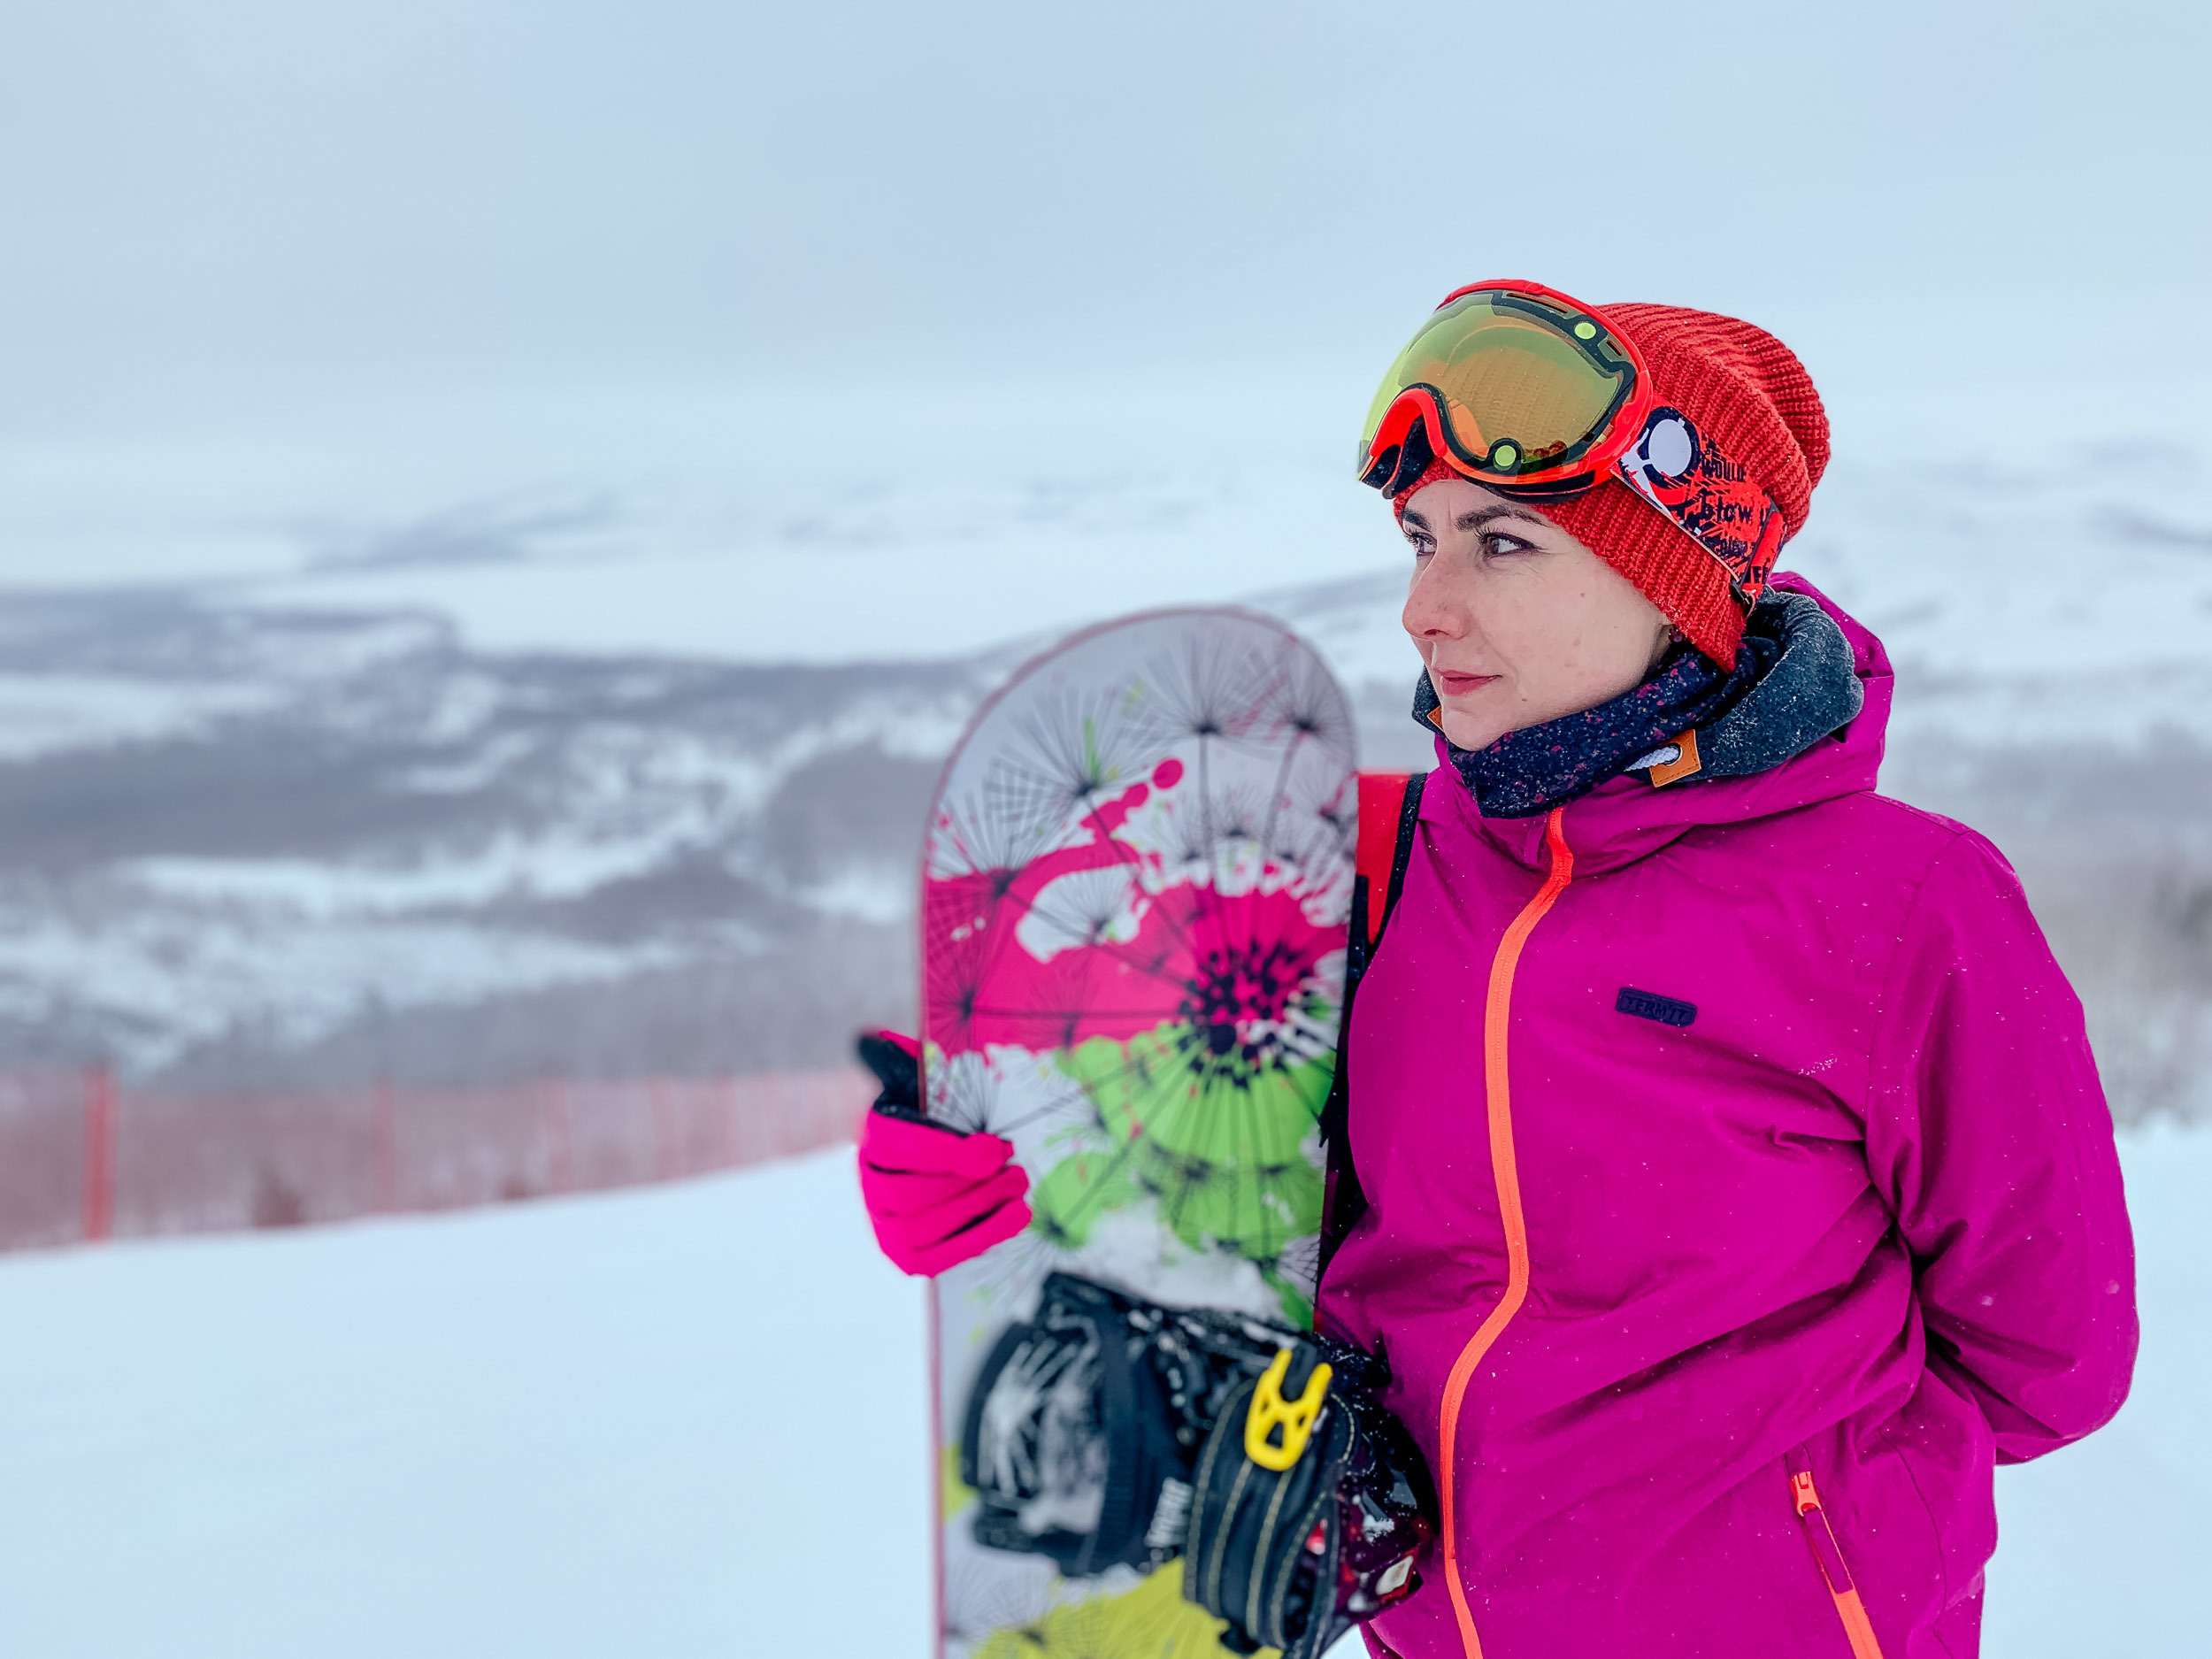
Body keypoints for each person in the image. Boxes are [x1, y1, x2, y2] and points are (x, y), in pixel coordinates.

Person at [856, 281, 2138, 1658]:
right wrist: (989, 1176)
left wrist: (1786, 1517)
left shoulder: (1904, 906)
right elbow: (1178, 1201)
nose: (1423, 607)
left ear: (1675, 578)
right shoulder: (1355, 864)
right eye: (1417, 539)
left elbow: (2047, 1357)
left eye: (1501, 542)